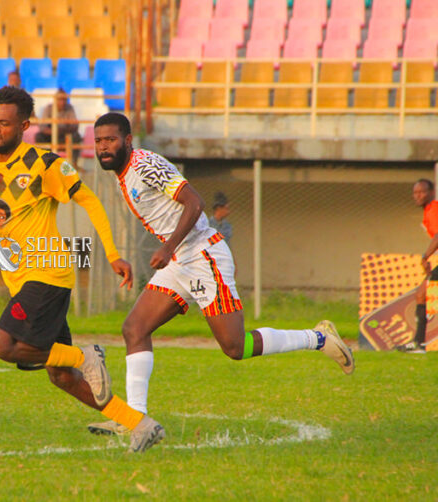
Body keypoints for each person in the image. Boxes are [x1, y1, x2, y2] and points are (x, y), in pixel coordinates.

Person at [86, 112, 355, 447]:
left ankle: (318, 338)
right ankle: (135, 420)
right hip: (181, 260)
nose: (103, 147)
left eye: (110, 140)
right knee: (134, 328)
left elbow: (194, 203)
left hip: (202, 256)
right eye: (98, 141)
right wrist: (171, 251)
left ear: (127, 140)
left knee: (235, 347)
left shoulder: (145, 165)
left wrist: (168, 247)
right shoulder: (123, 174)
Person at [0, 87, 164, 452]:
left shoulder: (45, 164)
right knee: (60, 375)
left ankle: (86, 357)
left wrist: (111, 254)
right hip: (20, 280)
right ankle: (139, 424)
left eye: (4, 123)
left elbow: (90, 200)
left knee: (2, 345)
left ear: (24, 126)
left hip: (48, 272)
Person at [397, 178, 438, 353]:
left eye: (422, 192)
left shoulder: (434, 209)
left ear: (431, 193)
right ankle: (418, 344)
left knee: (422, 295)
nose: (418, 196)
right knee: (422, 295)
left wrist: (425, 256)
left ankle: (418, 344)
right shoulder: (428, 211)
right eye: (415, 192)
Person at [35, 88, 83, 165]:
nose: (62, 102)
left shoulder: (69, 108)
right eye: (60, 99)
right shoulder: (49, 108)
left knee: (76, 136)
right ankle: (45, 163)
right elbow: (43, 127)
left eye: (64, 100)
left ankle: (74, 164)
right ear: (55, 100)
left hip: (64, 136)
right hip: (50, 136)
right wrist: (54, 132)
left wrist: (61, 130)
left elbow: (75, 126)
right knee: (39, 136)